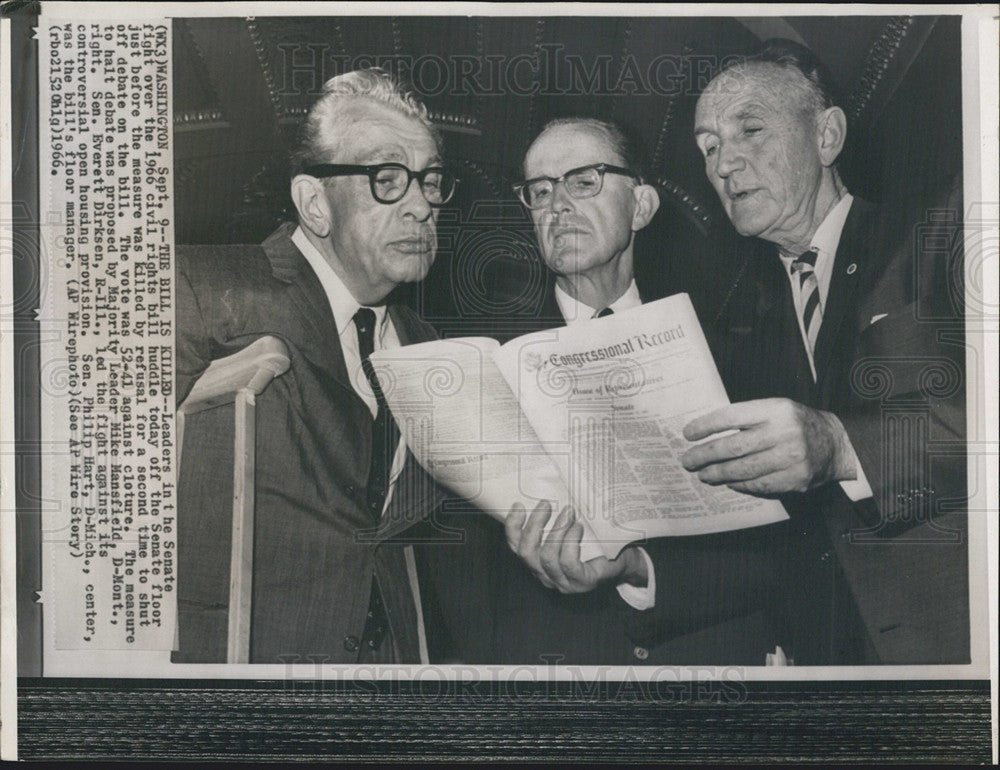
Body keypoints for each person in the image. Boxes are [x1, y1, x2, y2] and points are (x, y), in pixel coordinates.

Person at [420, 118, 780, 664]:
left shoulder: (727, 355)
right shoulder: (484, 366)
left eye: (583, 180)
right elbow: (454, 566)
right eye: (540, 191)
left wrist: (641, 569)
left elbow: (778, 551)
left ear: (640, 207)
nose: (557, 205)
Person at [671, 39, 968, 664]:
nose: (724, 164)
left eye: (749, 128)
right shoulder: (736, 327)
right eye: (708, 147)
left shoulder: (945, 228)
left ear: (827, 136)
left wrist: (840, 444)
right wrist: (634, 571)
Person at [173, 68, 457, 664]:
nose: (420, 206)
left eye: (430, 181)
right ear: (314, 203)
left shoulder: (427, 343)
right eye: (387, 179)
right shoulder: (203, 287)